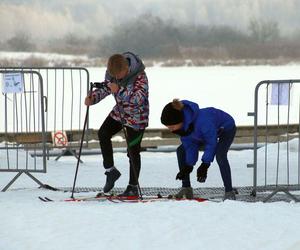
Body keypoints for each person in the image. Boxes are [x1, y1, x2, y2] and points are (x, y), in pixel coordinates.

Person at [85, 52, 149, 197]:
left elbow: (139, 98)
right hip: (120, 112)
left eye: (119, 75)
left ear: (127, 68)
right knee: (103, 133)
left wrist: (119, 90)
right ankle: (110, 171)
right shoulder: (112, 74)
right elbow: (106, 89)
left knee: (132, 151)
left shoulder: (140, 75)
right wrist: (92, 98)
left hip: (137, 117)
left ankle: (132, 186)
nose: (117, 78)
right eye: (114, 76)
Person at [160, 99, 236, 200]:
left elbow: (211, 143)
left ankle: (229, 192)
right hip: (202, 134)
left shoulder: (203, 122)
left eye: (172, 126)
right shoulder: (184, 128)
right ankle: (186, 188)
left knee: (220, 155)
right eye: (168, 127)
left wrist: (205, 165)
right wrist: (188, 166)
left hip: (226, 129)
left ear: (180, 120)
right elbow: (190, 146)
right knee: (181, 150)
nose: (170, 130)